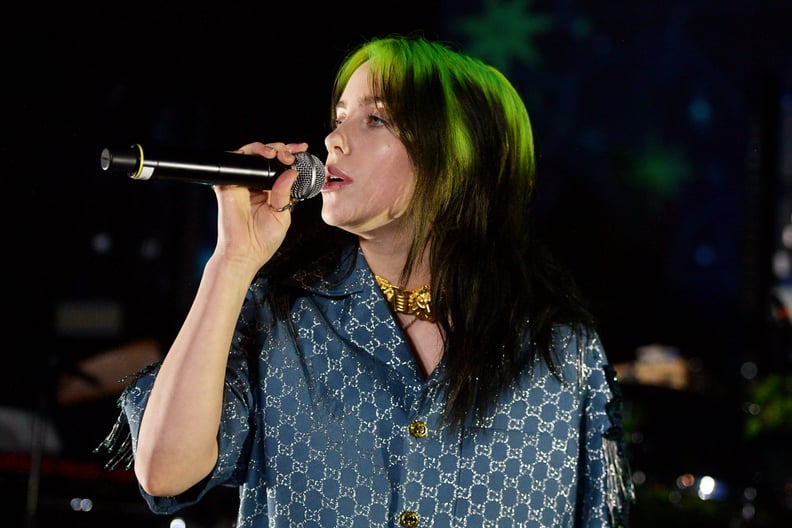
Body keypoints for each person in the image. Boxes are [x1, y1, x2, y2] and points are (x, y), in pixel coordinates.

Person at [98, 34, 634, 527]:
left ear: (458, 156)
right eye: (339, 117)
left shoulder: (559, 353)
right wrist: (233, 260)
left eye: (374, 120)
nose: (333, 139)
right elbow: (165, 472)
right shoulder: (282, 317)